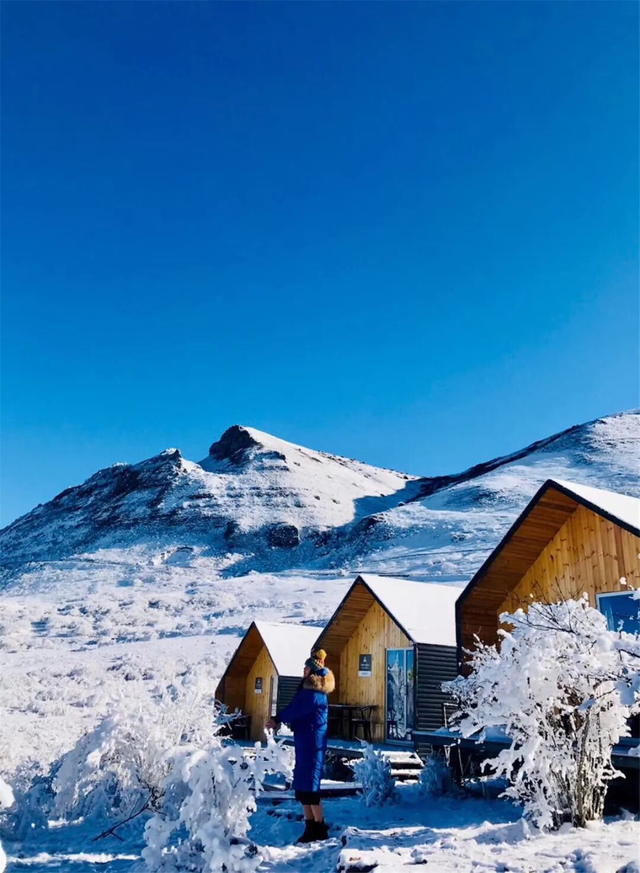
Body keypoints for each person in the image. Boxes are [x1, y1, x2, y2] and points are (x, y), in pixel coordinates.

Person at [267, 648, 334, 843]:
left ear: (312, 671)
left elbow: (294, 710)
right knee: (304, 785)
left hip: (312, 743)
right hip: (306, 741)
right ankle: (310, 826)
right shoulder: (310, 691)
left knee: (311, 787)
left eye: (305, 668)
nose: (303, 671)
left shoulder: (312, 694)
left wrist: (277, 719)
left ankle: (319, 828)